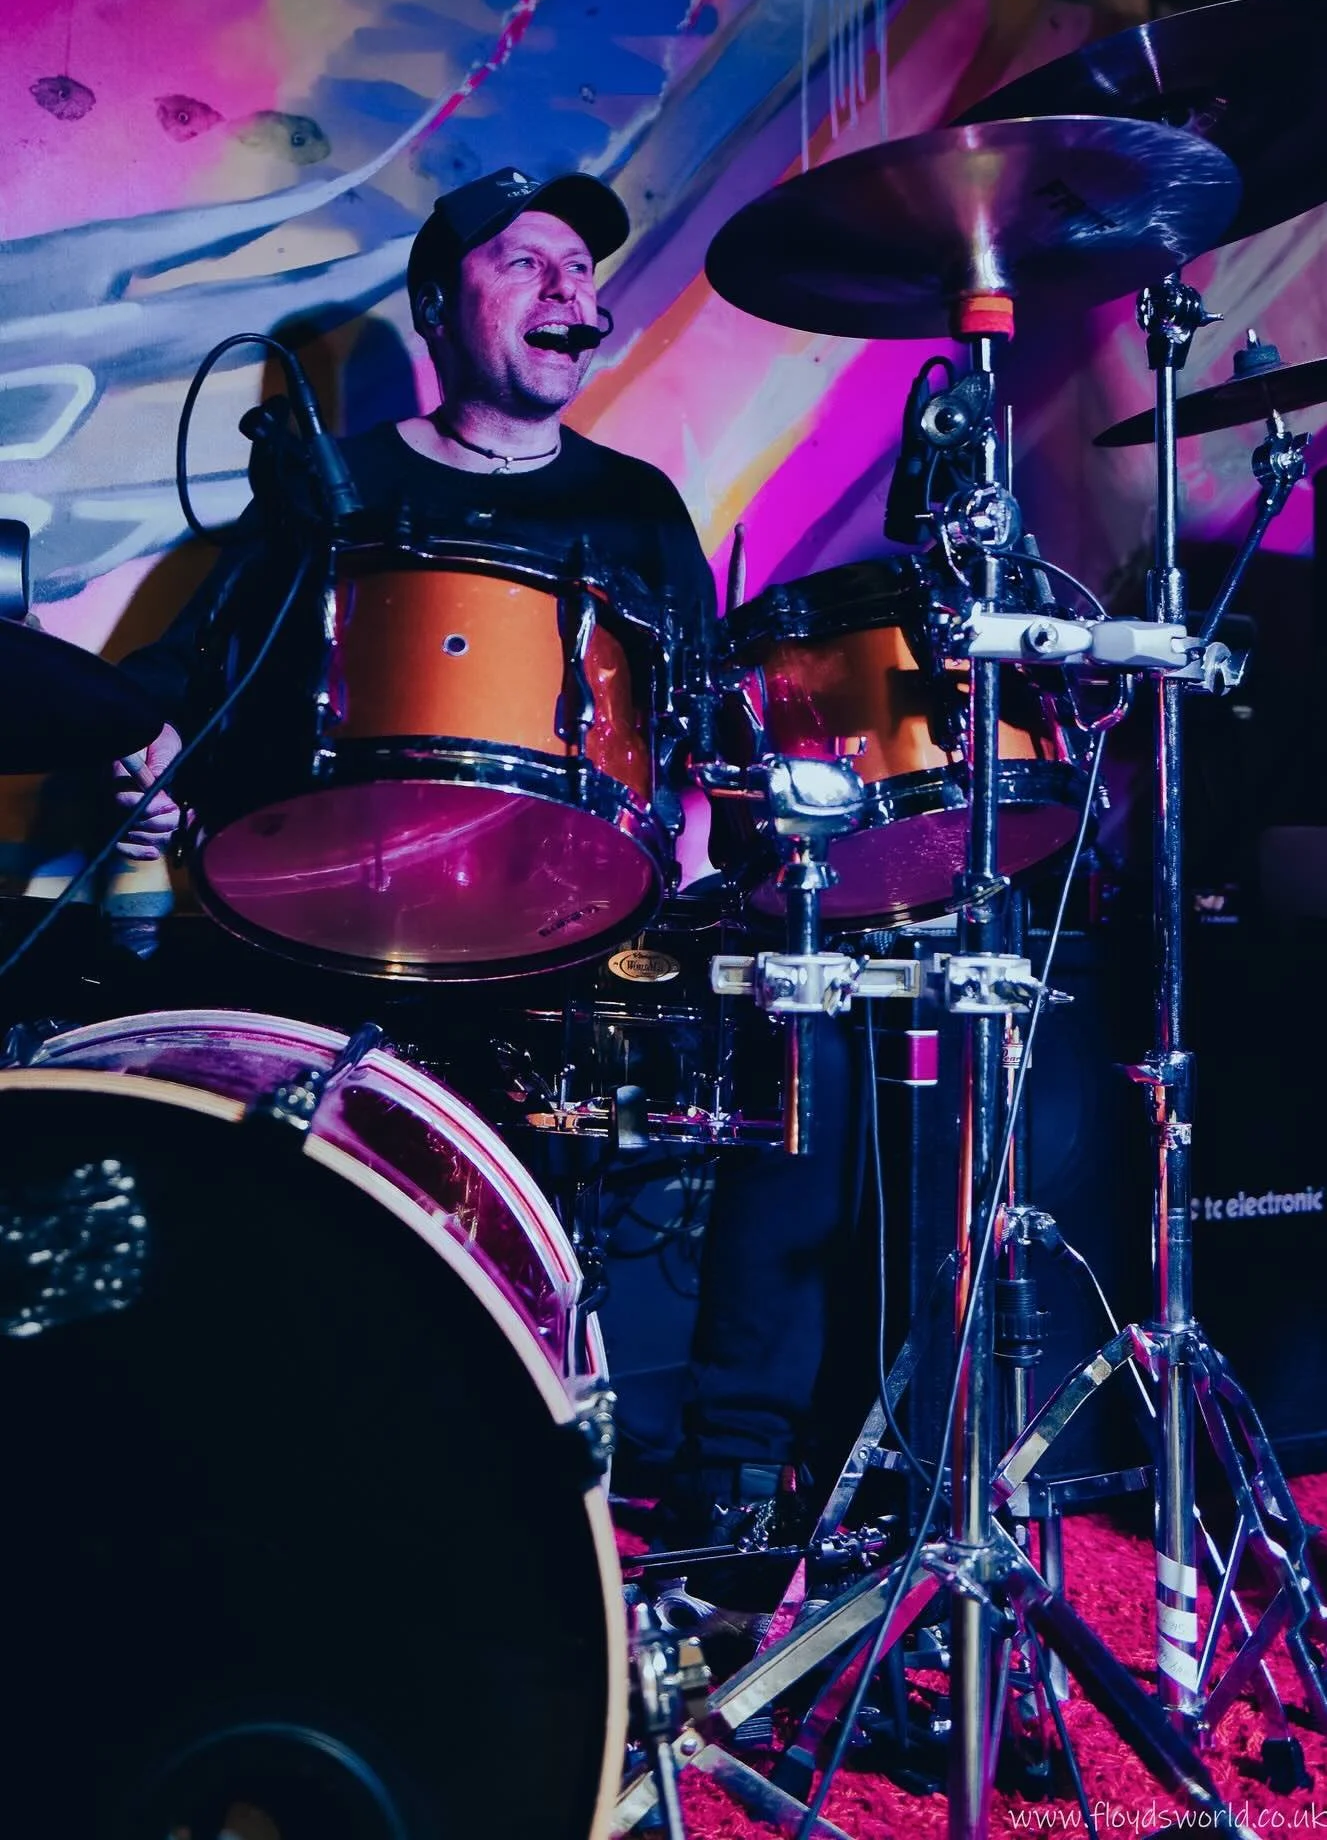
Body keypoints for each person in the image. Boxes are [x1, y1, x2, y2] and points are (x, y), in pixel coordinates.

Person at [113, 164, 865, 1553]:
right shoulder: (341, 492)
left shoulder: (636, 507)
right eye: (524, 263)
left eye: (581, 274)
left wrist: (702, 878)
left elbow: (693, 740)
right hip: (354, 918)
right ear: (438, 311)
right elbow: (195, 701)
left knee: (807, 1050)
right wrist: (149, 773)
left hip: (586, 926)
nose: (568, 291)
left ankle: (730, 1482)